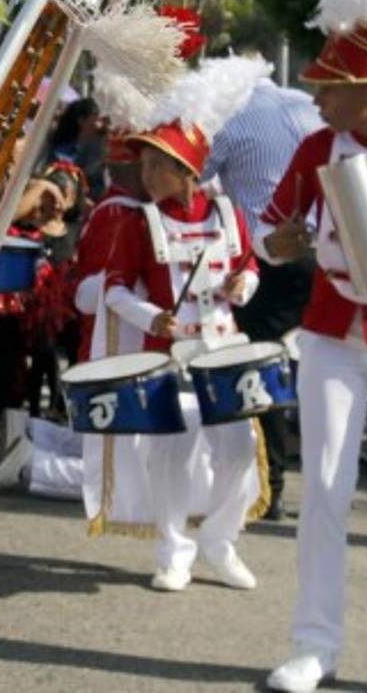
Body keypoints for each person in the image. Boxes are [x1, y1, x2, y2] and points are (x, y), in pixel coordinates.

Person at [103, 57, 265, 593]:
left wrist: (244, 285)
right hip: (169, 355)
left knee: (238, 449)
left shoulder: (229, 215)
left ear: (188, 171)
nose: (145, 175)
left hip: (224, 350)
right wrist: (155, 317)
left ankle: (221, 540)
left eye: (157, 165)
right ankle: (173, 552)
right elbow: (115, 290)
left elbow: (249, 266)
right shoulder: (136, 221)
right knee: (172, 452)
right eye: (144, 164)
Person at [262, 0, 367, 693]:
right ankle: (314, 643)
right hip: (334, 335)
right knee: (326, 490)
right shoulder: (312, 151)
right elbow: (268, 238)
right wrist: (289, 241)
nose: (317, 94)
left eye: (330, 86)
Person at [203, 65, 323, 521]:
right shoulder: (305, 105)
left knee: (258, 369)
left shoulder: (233, 116)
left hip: (270, 259)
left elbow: (192, 176)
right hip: (323, 256)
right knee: (318, 370)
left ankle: (268, 487)